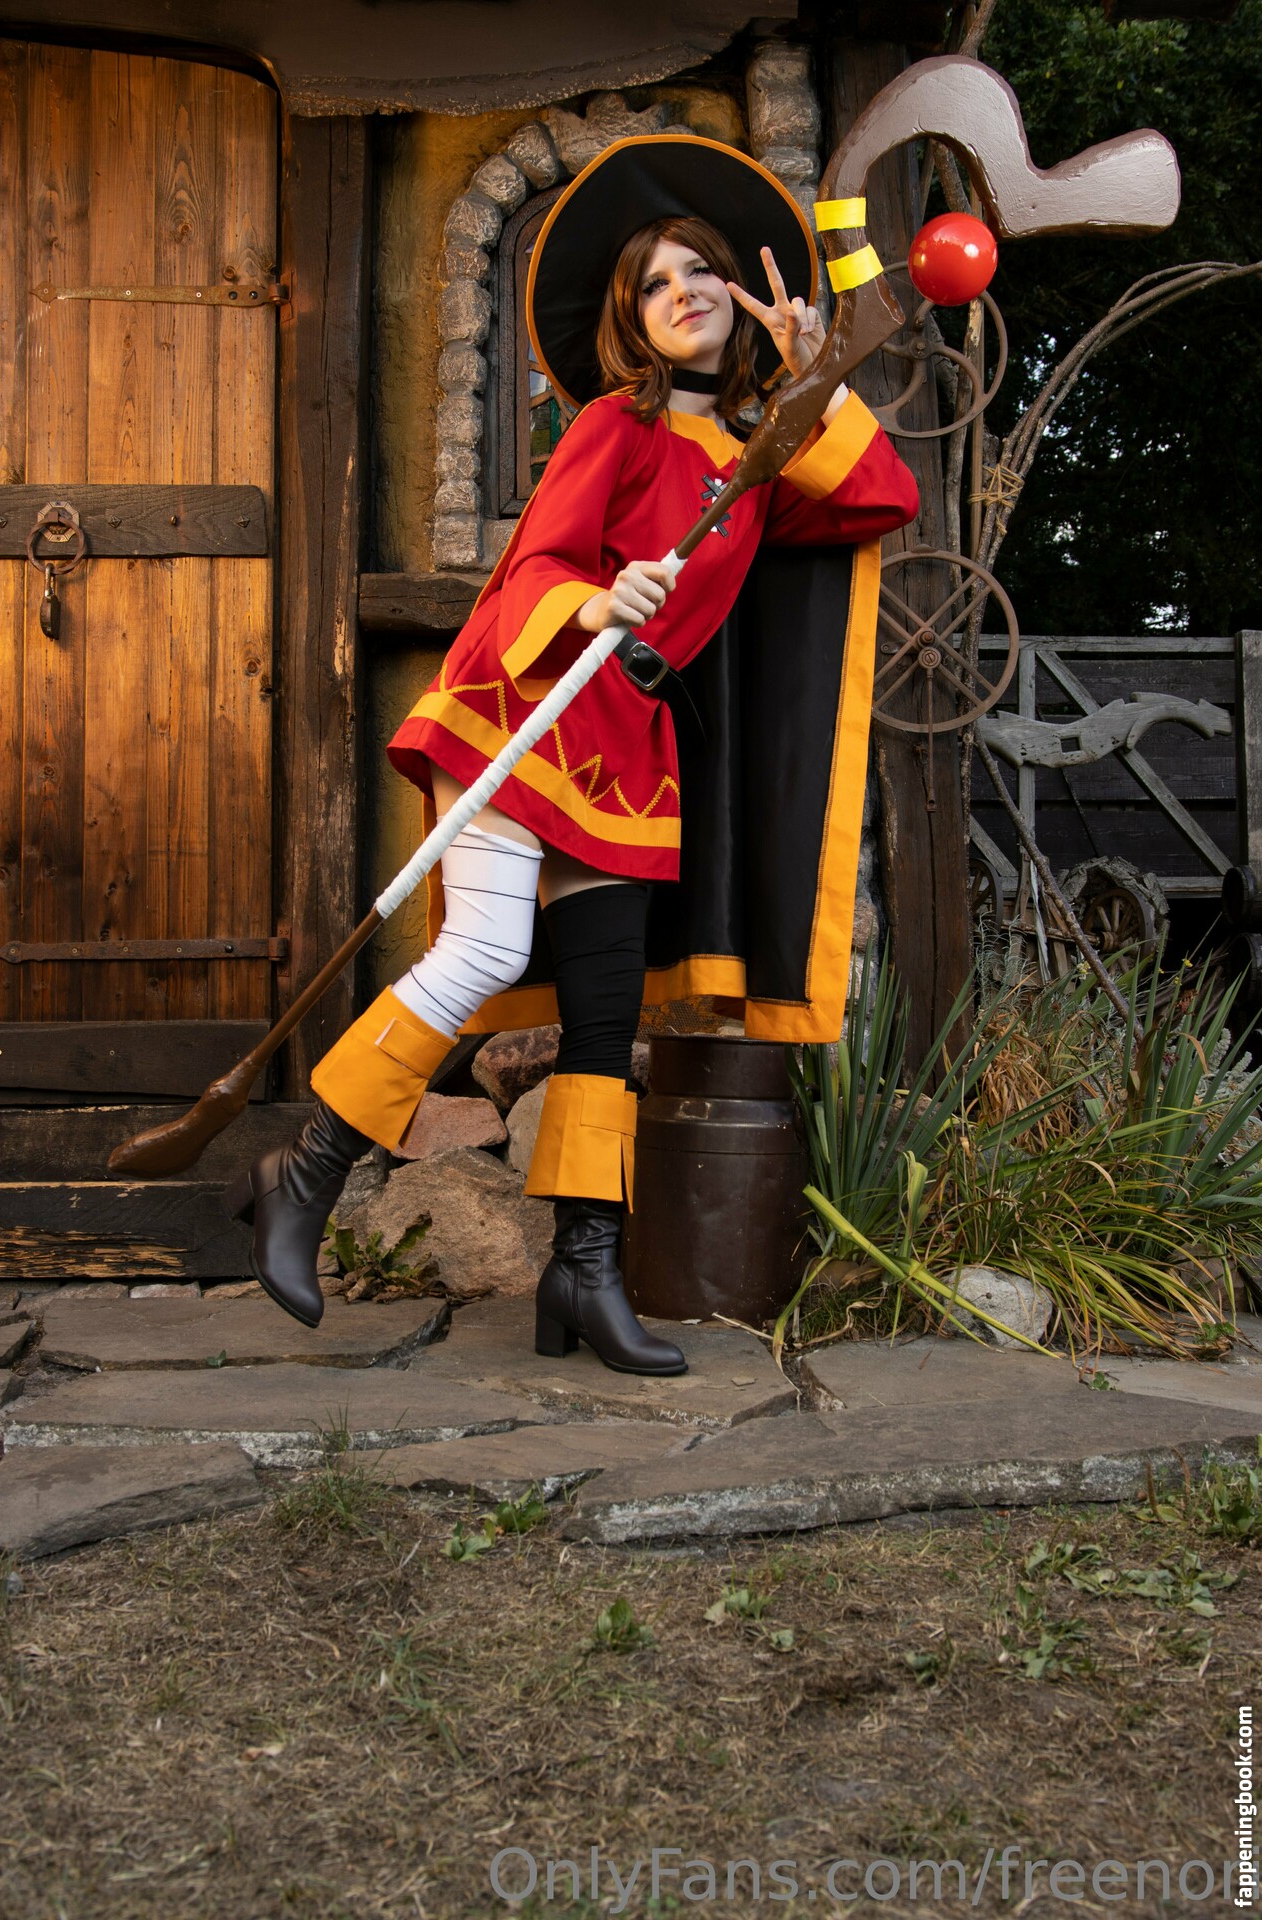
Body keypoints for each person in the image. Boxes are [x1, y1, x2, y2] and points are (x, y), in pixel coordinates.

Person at [227, 134, 918, 1371]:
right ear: (631, 324)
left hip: (628, 741)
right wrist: (600, 600)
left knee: (605, 1019)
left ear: (738, 292)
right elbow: (539, 560)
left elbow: (880, 500)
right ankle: (307, 1169)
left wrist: (815, 380)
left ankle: (582, 1268)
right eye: (655, 284)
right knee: (486, 948)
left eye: (699, 270)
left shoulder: (755, 465)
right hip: (534, 703)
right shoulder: (616, 424)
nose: (683, 293)